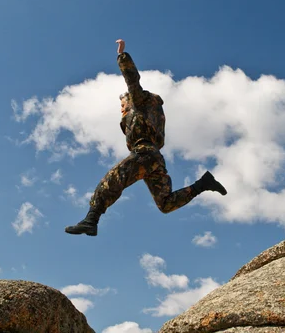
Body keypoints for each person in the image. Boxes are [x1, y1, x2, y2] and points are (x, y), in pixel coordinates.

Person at [65, 39, 227, 236]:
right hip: (155, 160)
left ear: (132, 101)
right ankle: (203, 184)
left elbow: (132, 79)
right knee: (165, 203)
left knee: (112, 180)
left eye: (123, 105)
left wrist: (122, 56)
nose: (121, 108)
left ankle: (91, 220)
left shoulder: (140, 102)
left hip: (145, 153)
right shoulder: (153, 114)